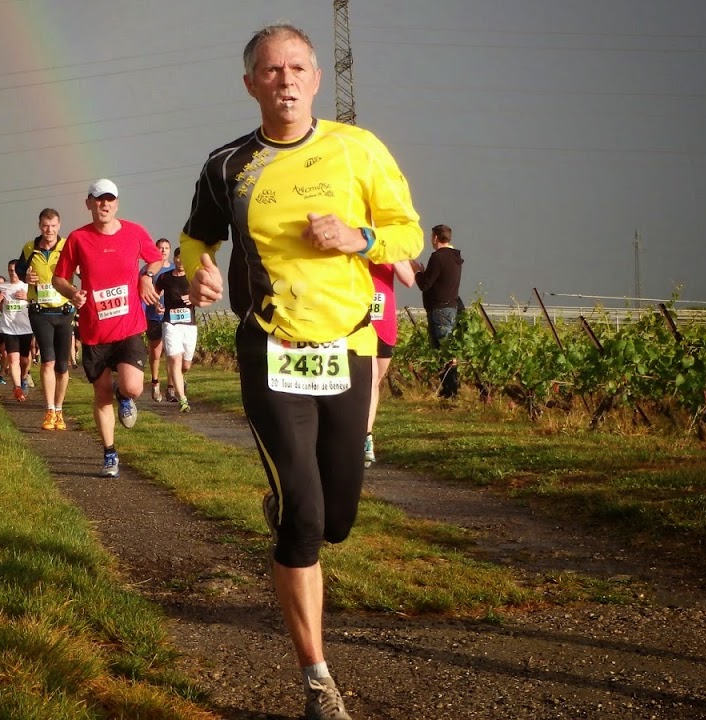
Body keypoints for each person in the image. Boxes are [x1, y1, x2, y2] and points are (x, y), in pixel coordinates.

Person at [181, 24, 422, 720]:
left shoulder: (359, 149)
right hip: (270, 348)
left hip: (346, 347)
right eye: (269, 69)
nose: (284, 79)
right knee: (306, 521)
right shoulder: (228, 165)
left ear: (317, 78)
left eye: (296, 68)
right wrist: (190, 273)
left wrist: (360, 237)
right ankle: (318, 680)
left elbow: (409, 232)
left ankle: (297, 514)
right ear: (250, 83)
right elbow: (198, 235)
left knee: (338, 517)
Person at [52, 178, 165, 478]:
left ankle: (124, 395)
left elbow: (155, 260)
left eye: (110, 199)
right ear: (88, 203)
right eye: (98, 199)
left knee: (133, 386)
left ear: (117, 203)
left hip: (127, 328)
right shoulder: (77, 239)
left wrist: (146, 276)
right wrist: (71, 293)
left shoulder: (134, 232)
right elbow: (58, 279)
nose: (104, 204)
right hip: (94, 331)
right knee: (101, 395)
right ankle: (110, 454)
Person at [17, 208, 74, 430]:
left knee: (62, 365)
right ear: (39, 226)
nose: (49, 230)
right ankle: (49, 410)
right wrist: (26, 276)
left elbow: (82, 270)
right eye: (45, 226)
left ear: (59, 225)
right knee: (47, 360)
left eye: (53, 225)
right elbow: (20, 269)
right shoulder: (29, 247)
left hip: (64, 311)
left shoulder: (67, 245)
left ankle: (59, 411)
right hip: (40, 311)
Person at [363, 260, 416, 466]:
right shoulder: (350, 234)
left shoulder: (391, 243)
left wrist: (390, 252)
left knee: (374, 381)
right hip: (355, 319)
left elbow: (409, 280)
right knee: (368, 378)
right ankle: (360, 437)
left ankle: (366, 436)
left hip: (383, 322)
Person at [412, 224, 463, 399]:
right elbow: (438, 281)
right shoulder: (455, 258)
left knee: (442, 350)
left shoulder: (438, 258)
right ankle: (449, 389)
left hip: (439, 309)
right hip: (451, 307)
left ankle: (449, 390)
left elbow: (425, 284)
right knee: (448, 349)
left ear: (435, 238)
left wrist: (417, 272)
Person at [156, 246, 197, 412]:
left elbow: (204, 296)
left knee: (185, 365)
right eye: (178, 258)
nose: (181, 261)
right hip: (170, 324)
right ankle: (183, 400)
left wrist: (194, 298)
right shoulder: (165, 277)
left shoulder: (193, 277)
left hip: (189, 326)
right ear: (175, 259)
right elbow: (155, 292)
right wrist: (156, 303)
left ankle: (178, 377)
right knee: (174, 359)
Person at [0, 260, 34, 402]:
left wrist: (27, 297)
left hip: (25, 327)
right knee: (13, 359)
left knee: (24, 360)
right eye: (10, 270)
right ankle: (17, 387)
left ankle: (24, 377)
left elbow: (38, 301)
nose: (12, 273)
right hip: (9, 328)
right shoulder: (3, 287)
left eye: (14, 270)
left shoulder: (27, 286)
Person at [143, 238, 174, 402]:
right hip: (153, 317)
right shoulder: (148, 270)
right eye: (160, 248)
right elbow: (141, 292)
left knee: (172, 352)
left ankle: (171, 386)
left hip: (172, 317)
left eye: (166, 248)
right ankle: (155, 382)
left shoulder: (176, 269)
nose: (163, 250)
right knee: (156, 353)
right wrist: (154, 302)